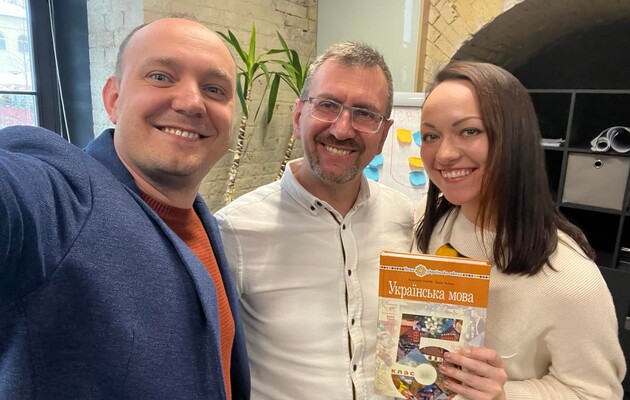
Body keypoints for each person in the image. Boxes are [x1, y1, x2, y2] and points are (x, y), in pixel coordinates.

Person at [0, 17, 249, 399]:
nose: (191, 102)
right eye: (161, 77)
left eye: (214, 89)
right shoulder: (62, 195)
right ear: (113, 99)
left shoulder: (201, 222)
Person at [414, 60, 626, 399]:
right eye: (431, 136)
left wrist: (504, 394)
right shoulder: (426, 227)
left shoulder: (571, 278)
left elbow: (596, 393)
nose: (444, 154)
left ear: (514, 138)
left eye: (469, 131)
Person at [215, 42, 414, 399]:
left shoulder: (404, 219)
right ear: (298, 117)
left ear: (383, 134)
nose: (342, 129)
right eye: (327, 105)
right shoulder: (234, 232)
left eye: (365, 114)